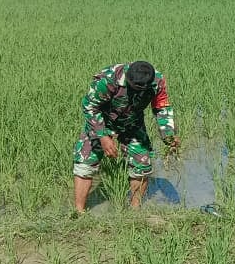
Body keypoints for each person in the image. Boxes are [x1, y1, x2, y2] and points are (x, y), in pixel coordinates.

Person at [72, 60, 178, 212]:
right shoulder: (108, 78)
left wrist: (168, 135)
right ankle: (79, 212)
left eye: (141, 89)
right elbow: (90, 107)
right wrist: (102, 136)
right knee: (85, 162)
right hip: (102, 121)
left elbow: (161, 108)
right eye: (134, 88)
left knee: (142, 164)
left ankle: (134, 212)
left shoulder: (157, 81)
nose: (137, 92)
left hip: (132, 123)